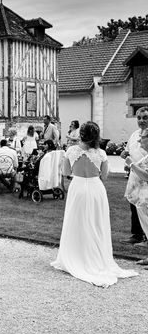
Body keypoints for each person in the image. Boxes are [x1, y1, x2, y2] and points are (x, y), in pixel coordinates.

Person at [51, 121, 138, 287]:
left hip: (77, 187)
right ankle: (96, 256)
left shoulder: (71, 151)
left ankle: (76, 255)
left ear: (81, 134)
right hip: (95, 187)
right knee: (96, 223)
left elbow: (66, 172)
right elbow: (104, 176)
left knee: (75, 221)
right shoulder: (101, 153)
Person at [121, 107, 148, 245]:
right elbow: (128, 151)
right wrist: (125, 156)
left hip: (145, 176)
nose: (141, 120)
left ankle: (146, 236)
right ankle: (137, 234)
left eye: (145, 117)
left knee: (145, 208)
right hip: (134, 176)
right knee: (134, 205)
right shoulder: (134, 135)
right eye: (139, 118)